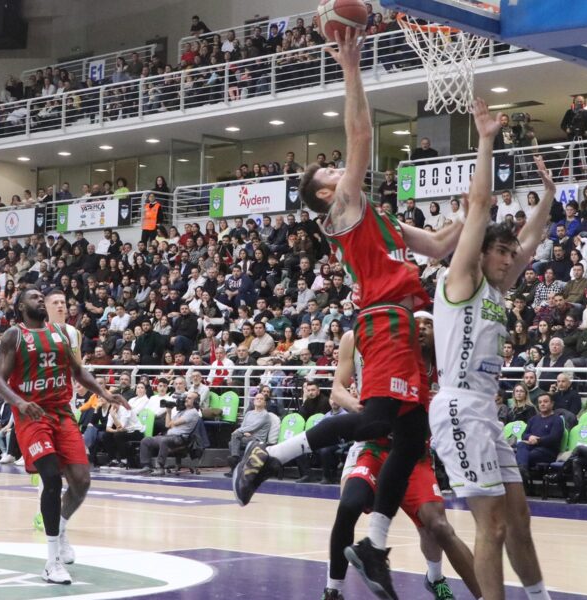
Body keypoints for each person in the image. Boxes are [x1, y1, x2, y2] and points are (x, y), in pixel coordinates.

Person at [233, 33, 465, 600]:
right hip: (383, 321)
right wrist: (353, 68)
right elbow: (361, 135)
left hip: (406, 324)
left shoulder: (380, 218)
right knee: (376, 422)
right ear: (324, 195)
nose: (339, 169)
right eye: (330, 173)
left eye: (337, 169)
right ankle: (272, 456)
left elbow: (439, 245)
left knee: (411, 435)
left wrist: (477, 206)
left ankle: (374, 545)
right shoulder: (345, 208)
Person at [429, 97, 555, 600]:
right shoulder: (462, 279)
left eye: (509, 252)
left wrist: (548, 196)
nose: (508, 259)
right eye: (499, 251)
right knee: (493, 525)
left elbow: (532, 240)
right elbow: (480, 208)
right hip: (458, 407)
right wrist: (485, 141)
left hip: (485, 409)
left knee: (519, 518)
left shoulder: (499, 290)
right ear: (478, 253)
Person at [324, 323, 481, 600]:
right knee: (348, 506)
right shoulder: (372, 344)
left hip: (413, 453)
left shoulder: (442, 362)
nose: (421, 328)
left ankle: (439, 579)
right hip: (373, 445)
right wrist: (358, 406)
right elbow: (337, 390)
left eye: (427, 324)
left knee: (436, 525)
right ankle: (332, 590)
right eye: (417, 323)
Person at [0, 289, 127, 585]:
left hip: (63, 413)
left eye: (42, 296)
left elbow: (78, 370)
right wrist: (20, 403)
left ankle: (61, 526)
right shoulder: (14, 336)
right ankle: (51, 562)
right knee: (51, 478)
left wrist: (103, 392)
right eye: (34, 297)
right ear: (20, 306)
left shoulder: (62, 333)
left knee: (82, 481)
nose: (40, 300)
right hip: (32, 415)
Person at [137, 392, 201, 476]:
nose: (186, 399)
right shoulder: (182, 412)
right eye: (186, 397)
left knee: (164, 440)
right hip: (169, 436)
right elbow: (167, 425)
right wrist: (169, 411)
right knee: (146, 440)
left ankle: (160, 468)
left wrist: (172, 422)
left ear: (195, 401)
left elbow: (173, 423)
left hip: (180, 439)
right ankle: (146, 466)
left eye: (189, 398)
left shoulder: (193, 412)